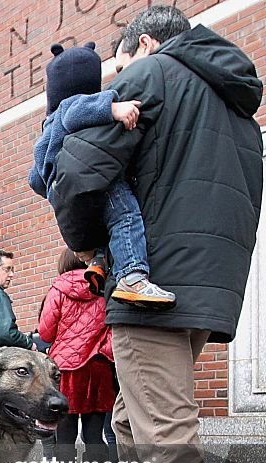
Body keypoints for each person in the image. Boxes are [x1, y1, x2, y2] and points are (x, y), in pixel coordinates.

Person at [50, 5, 263, 463]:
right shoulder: (231, 102)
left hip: (153, 285)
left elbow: (78, 169)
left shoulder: (154, 77)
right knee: (130, 424)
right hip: (205, 285)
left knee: (165, 436)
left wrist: (88, 243)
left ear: (144, 43)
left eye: (121, 58)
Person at [29, 42, 174, 308]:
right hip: (93, 177)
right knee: (125, 215)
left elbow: (34, 179)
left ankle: (98, 263)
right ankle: (132, 275)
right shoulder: (72, 107)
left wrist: (53, 190)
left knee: (101, 231)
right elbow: (78, 110)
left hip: (66, 193)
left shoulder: (47, 127)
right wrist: (112, 107)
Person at [37, 250, 115, 463]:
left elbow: (46, 332)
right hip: (99, 366)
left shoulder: (58, 289)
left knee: (65, 440)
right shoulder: (106, 285)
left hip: (65, 369)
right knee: (95, 438)